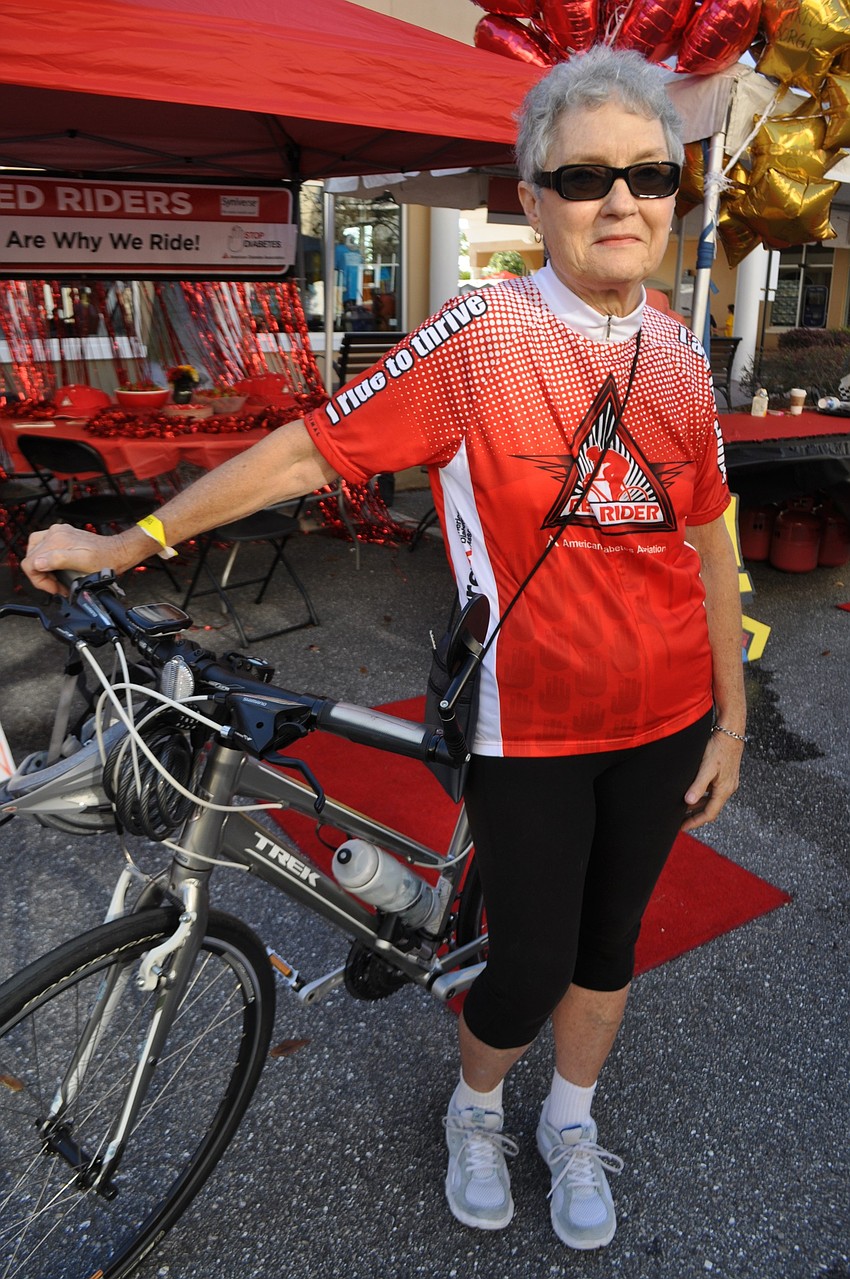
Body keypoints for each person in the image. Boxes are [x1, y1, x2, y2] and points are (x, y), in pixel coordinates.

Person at [23, 45, 745, 1254]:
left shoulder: (675, 349)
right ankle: (475, 1107)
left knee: (608, 950)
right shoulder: (481, 335)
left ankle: (569, 1116)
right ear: (533, 198)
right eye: (583, 177)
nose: (621, 199)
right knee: (520, 972)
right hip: (532, 729)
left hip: (664, 716)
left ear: (675, 191)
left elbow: (709, 534)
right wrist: (126, 539)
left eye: (648, 173)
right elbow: (310, 452)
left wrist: (729, 713)